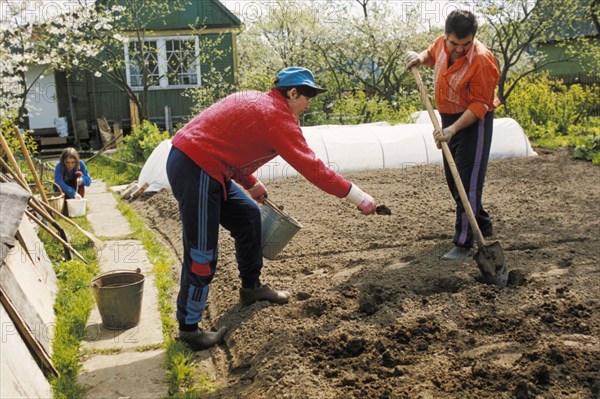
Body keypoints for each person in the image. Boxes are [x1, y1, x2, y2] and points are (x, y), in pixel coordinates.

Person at [167, 66, 377, 351]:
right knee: (202, 251)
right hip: (198, 167)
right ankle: (189, 329)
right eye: (306, 97)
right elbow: (314, 170)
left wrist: (251, 184)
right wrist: (358, 197)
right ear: (292, 93)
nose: (308, 104)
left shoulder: (258, 101)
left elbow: (230, 147)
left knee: (248, 216)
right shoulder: (277, 117)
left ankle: (251, 287)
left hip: (205, 164)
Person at [404, 10, 500, 260]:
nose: (459, 49)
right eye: (454, 43)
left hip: (472, 122)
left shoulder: (482, 60)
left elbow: (480, 104)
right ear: (446, 37)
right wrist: (418, 57)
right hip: (447, 117)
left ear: (473, 39)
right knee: (453, 180)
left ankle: (464, 242)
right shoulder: (441, 44)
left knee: (467, 182)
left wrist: (453, 129)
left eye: (465, 44)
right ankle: (482, 221)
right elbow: (431, 54)